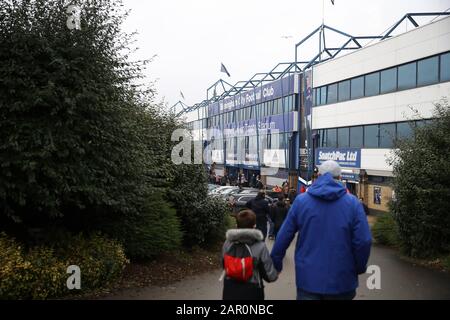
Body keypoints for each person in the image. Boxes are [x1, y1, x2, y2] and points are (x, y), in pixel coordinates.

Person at [271, 160, 372, 300]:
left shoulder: (301, 202)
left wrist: (276, 264)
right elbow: (363, 241)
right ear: (340, 178)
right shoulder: (353, 204)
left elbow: (283, 236)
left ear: (318, 176)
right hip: (342, 281)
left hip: (308, 280)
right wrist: (359, 267)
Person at [222, 210, 278, 300]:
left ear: (237, 225)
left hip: (230, 289)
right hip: (252, 291)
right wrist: (275, 274)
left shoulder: (228, 243)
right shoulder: (260, 246)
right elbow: (270, 275)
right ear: (254, 226)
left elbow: (224, 264)